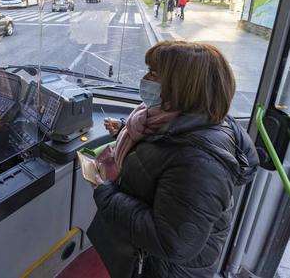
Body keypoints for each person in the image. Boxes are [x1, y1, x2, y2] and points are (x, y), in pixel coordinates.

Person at [87, 41, 259, 278]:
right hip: (140, 257)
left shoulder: (200, 161)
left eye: (154, 74)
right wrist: (122, 131)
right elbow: (160, 151)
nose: (145, 78)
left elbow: (172, 242)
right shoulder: (164, 119)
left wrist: (105, 192)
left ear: (182, 87)